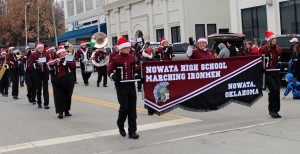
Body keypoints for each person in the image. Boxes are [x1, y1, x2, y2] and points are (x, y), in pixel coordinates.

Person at [107, 37, 139, 139]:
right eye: (125, 48)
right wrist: (113, 76)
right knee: (125, 107)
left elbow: (136, 69)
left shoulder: (132, 57)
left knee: (132, 108)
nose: (128, 49)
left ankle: (132, 131)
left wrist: (137, 75)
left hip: (131, 85)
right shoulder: (115, 58)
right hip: (121, 86)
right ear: (120, 49)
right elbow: (109, 70)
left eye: (128, 47)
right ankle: (120, 124)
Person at [259, 31, 282, 118]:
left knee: (277, 92)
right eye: (273, 39)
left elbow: (278, 60)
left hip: (276, 72)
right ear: (269, 40)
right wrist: (262, 67)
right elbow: (259, 60)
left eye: (275, 38)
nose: (275, 40)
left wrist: (279, 64)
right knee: (274, 90)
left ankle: (276, 110)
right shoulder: (263, 49)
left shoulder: (278, 49)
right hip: (268, 73)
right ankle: (271, 110)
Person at [49, 47, 76, 119]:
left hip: (67, 79)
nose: (65, 53)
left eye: (65, 52)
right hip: (57, 80)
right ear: (59, 54)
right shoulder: (54, 60)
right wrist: (51, 64)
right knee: (59, 96)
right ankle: (60, 111)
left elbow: (73, 65)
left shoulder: (68, 58)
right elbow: (50, 69)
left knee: (68, 95)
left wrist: (64, 61)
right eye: (63, 52)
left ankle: (66, 110)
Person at [29, 43, 50, 109]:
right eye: (39, 48)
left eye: (42, 48)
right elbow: (31, 64)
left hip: (45, 72)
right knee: (38, 88)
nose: (41, 49)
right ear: (37, 48)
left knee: (46, 88)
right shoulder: (33, 54)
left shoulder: (46, 54)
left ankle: (46, 103)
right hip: (37, 73)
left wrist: (47, 62)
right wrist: (36, 63)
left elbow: (49, 60)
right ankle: (39, 102)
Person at [141, 48, 157, 115]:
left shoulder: (142, 60)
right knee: (154, 93)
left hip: (146, 80)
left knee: (148, 94)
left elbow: (139, 70)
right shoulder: (155, 60)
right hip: (154, 80)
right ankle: (154, 107)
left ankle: (150, 109)